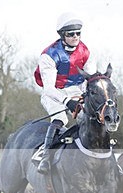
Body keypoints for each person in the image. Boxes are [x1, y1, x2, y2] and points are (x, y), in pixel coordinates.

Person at [33, 12, 96, 174]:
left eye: (78, 33)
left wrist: (84, 96)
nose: (76, 37)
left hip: (75, 91)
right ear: (62, 35)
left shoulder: (86, 52)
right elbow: (49, 88)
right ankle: (45, 155)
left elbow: (90, 80)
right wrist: (67, 101)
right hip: (54, 93)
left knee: (89, 118)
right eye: (71, 34)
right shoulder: (49, 55)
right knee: (60, 118)